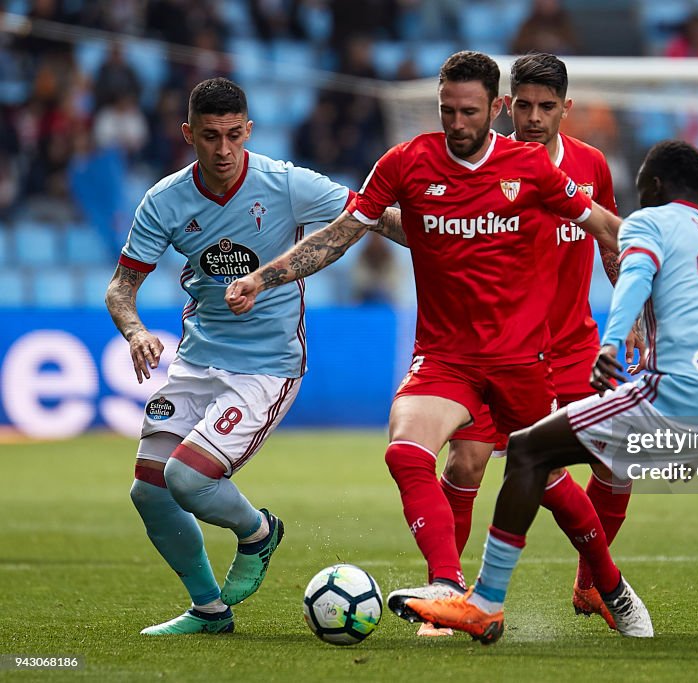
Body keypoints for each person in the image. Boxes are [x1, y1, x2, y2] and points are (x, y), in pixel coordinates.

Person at [404, 140, 698, 650]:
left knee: (528, 448)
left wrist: (611, 343)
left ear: (655, 184)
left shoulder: (649, 222)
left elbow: (634, 277)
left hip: (679, 392)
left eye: (639, 178)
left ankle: (482, 604)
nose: (634, 189)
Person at [224, 51, 649, 637]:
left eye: (468, 112)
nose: (456, 123)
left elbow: (605, 227)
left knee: (551, 484)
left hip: (522, 359)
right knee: (407, 451)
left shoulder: (530, 168)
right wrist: (262, 276)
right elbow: (346, 232)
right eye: (447, 110)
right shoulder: (405, 162)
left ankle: (607, 582)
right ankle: (448, 588)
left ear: (492, 108)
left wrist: (669, 276)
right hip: (446, 357)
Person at [105, 77, 375, 635]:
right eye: (210, 137)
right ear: (188, 134)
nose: (223, 150)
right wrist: (134, 332)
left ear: (248, 129)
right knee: (148, 491)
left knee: (185, 478)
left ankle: (258, 532)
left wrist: (443, 237)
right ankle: (209, 610)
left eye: (233, 135)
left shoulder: (286, 183)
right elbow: (120, 288)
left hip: (266, 367)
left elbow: (367, 216)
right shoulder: (165, 199)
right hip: (197, 359)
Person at [441, 52, 638, 636]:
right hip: (497, 347)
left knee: (618, 457)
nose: (532, 118)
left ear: (565, 109)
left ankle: (589, 585)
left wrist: (633, 316)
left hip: (574, 346)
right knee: (467, 460)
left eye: (546, 107)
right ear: (504, 105)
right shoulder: (484, 165)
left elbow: (609, 243)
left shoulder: (591, 165)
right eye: (522, 105)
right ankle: (447, 591)